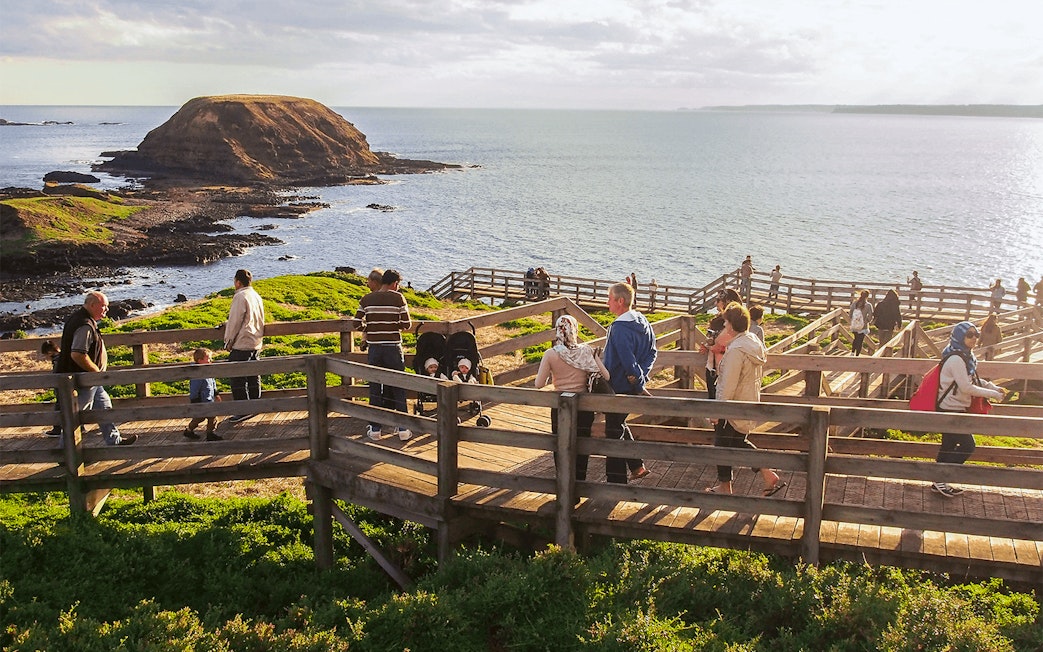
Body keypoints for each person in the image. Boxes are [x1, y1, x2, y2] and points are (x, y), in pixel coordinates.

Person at [704, 302, 785, 496]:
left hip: (732, 405)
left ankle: (725, 487)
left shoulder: (736, 350)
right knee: (738, 443)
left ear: (731, 325)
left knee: (723, 445)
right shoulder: (752, 343)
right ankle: (767, 474)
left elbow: (728, 383)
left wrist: (718, 411)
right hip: (747, 402)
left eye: (725, 324)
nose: (724, 327)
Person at [931, 321, 1005, 497]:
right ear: (959, 336)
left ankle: (938, 481)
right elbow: (966, 387)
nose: (974, 338)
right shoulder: (956, 359)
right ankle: (940, 478)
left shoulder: (966, 356)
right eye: (969, 335)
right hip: (950, 409)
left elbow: (973, 381)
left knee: (948, 445)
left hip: (956, 408)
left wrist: (993, 387)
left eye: (976, 334)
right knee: (967, 445)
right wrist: (992, 395)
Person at [535, 315, 611, 483]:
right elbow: (606, 375)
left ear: (558, 331)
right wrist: (596, 358)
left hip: (560, 405)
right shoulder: (586, 351)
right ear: (575, 330)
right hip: (583, 407)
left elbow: (539, 384)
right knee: (581, 447)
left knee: (560, 446)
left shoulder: (551, 354)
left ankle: (563, 486)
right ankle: (579, 485)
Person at [54, 291, 134, 445]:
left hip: (91, 380)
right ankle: (65, 452)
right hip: (83, 380)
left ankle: (114, 441)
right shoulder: (84, 324)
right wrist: (96, 373)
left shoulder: (80, 319)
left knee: (105, 407)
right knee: (75, 418)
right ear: (92, 305)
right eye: (104, 306)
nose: (106, 310)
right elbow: (77, 354)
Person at [602, 282, 654, 483]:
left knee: (613, 433)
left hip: (618, 387)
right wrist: (642, 376)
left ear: (620, 301)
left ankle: (616, 481)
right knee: (618, 425)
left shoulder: (619, 328)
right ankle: (637, 467)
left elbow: (627, 360)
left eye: (609, 298)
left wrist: (639, 382)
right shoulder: (644, 322)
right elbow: (652, 353)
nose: (607, 303)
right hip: (631, 386)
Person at [354, 268, 413, 441]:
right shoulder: (398, 298)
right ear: (395, 283)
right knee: (398, 386)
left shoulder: (366, 299)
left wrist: (370, 328)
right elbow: (407, 324)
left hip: (375, 349)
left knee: (374, 387)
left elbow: (355, 323)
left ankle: (375, 429)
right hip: (393, 348)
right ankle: (403, 428)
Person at [224, 269, 265, 423]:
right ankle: (255, 406)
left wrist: (228, 341)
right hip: (255, 341)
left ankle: (243, 411)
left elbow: (235, 321)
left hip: (242, 342)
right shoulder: (256, 296)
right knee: (254, 375)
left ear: (238, 282)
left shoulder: (240, 296)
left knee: (237, 377)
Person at [702, 288, 742, 399]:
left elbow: (731, 343)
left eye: (718, 300)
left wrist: (716, 347)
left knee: (722, 405)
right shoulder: (718, 320)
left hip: (726, 369)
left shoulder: (736, 322)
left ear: (727, 301)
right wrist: (707, 346)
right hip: (712, 368)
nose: (716, 303)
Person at [183, 347, 221, 441]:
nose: (210, 361)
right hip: (201, 400)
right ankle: (189, 430)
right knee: (199, 418)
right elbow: (194, 389)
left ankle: (210, 433)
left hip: (209, 399)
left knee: (213, 416)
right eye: (208, 359)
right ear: (200, 361)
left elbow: (212, 382)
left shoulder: (208, 371)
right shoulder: (197, 375)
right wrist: (195, 400)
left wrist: (216, 393)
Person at [41, 340, 63, 437]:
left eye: (45, 355)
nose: (46, 358)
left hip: (61, 387)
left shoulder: (57, 360)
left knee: (59, 406)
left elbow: (56, 374)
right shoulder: (63, 357)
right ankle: (80, 427)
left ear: (49, 353)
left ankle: (57, 429)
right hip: (68, 386)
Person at [849, 290, 873, 356]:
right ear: (867, 296)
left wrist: (853, 320)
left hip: (855, 324)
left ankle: (852, 352)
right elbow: (870, 316)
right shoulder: (868, 305)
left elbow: (850, 313)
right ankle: (857, 355)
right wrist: (867, 321)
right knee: (860, 340)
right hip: (863, 326)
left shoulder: (854, 303)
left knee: (856, 338)